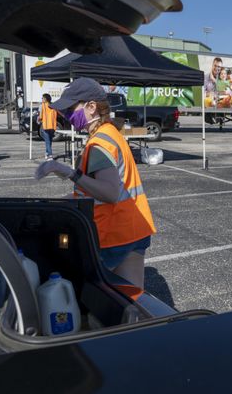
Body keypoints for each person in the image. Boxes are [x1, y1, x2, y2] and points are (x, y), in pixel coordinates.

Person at [35, 78, 156, 288]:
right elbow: (95, 191)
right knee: (130, 298)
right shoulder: (111, 134)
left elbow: (109, 193)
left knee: (90, 294)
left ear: (91, 107)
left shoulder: (99, 143)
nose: (66, 115)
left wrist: (68, 172)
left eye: (71, 108)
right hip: (135, 228)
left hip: (111, 234)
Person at [38, 93, 58, 160]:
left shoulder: (43, 105)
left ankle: (50, 155)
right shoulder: (53, 106)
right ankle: (47, 153)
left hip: (46, 126)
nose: (42, 99)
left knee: (47, 142)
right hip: (52, 126)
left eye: (42, 98)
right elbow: (55, 116)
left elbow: (40, 116)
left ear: (46, 99)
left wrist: (39, 119)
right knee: (49, 141)